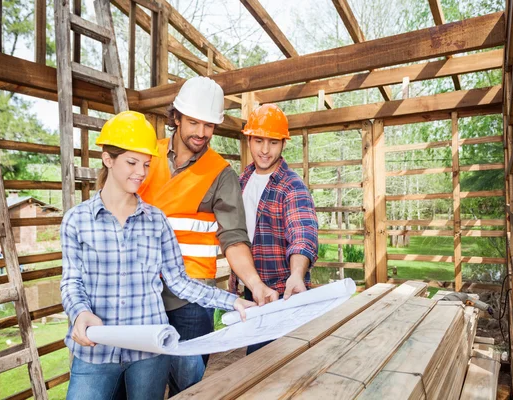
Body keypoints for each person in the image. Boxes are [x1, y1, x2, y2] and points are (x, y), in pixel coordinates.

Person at [60, 111, 254, 400]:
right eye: (131, 162)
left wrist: (233, 302)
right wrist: (80, 313)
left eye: (147, 164)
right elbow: (72, 283)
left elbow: (180, 282)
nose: (140, 172)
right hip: (96, 351)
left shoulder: (157, 221)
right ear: (108, 158)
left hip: (149, 352)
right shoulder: (77, 220)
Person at [137, 76, 278, 395]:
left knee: (189, 389)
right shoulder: (146, 156)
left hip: (192, 298)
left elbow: (234, 239)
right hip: (140, 295)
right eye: (193, 122)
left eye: (209, 125)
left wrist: (255, 285)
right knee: (138, 384)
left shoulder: (221, 173)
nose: (201, 132)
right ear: (175, 117)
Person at [238, 104, 319, 354]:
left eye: (273, 142)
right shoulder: (241, 181)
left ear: (283, 143)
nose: (264, 150)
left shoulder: (291, 186)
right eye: (259, 140)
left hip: (282, 297)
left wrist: (296, 274)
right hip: (252, 293)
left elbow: (302, 233)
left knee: (273, 367)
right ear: (249, 139)